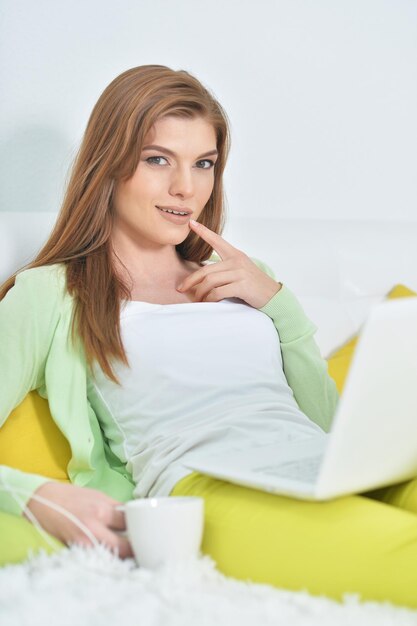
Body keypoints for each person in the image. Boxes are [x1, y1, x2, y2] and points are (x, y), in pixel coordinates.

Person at [1, 64, 417, 608]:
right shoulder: (51, 293)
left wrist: (278, 304)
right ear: (109, 164)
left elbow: (324, 425)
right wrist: (35, 494)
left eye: (204, 164)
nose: (187, 187)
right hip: (209, 491)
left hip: (323, 466)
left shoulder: (241, 275)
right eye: (158, 160)